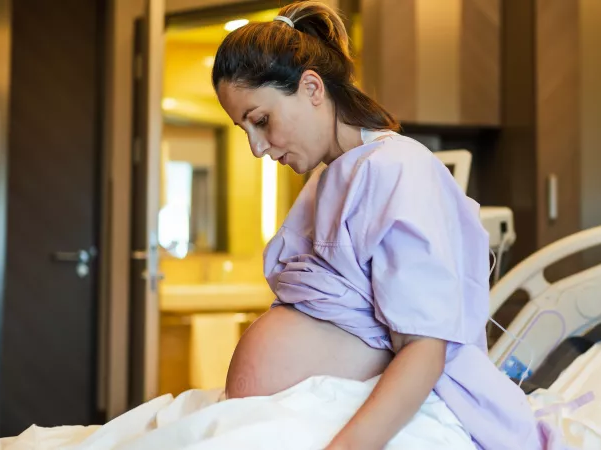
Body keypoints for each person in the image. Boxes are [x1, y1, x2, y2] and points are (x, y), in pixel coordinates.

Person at [211, 2, 543, 449]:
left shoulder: (396, 169)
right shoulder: (330, 179)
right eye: (244, 130)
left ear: (312, 87)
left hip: (362, 422)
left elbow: (424, 348)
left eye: (262, 121)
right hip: (300, 412)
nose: (256, 148)